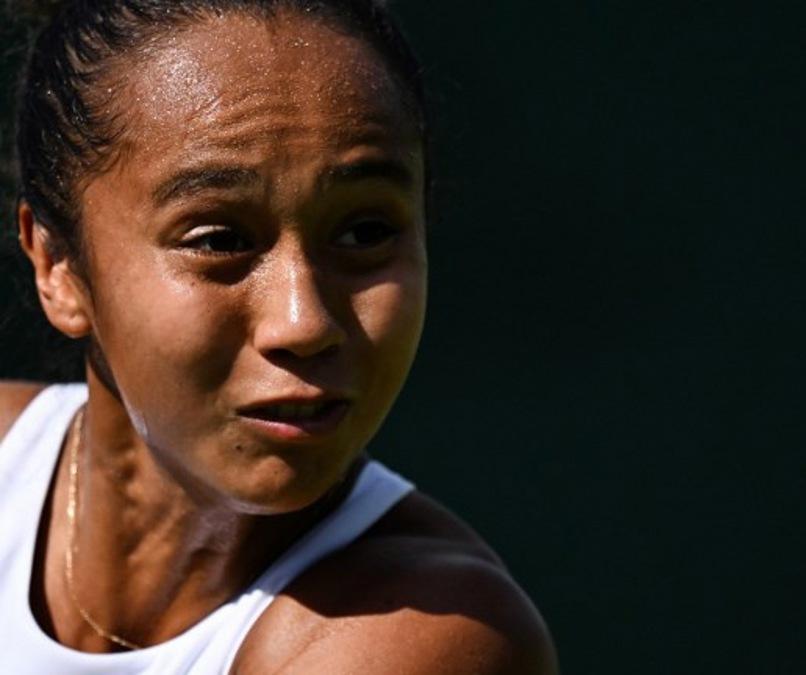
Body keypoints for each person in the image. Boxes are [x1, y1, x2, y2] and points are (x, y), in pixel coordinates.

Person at [0, 0, 558, 672]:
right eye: (219, 239)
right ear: (57, 265)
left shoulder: (428, 638)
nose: (305, 322)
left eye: (365, 232)